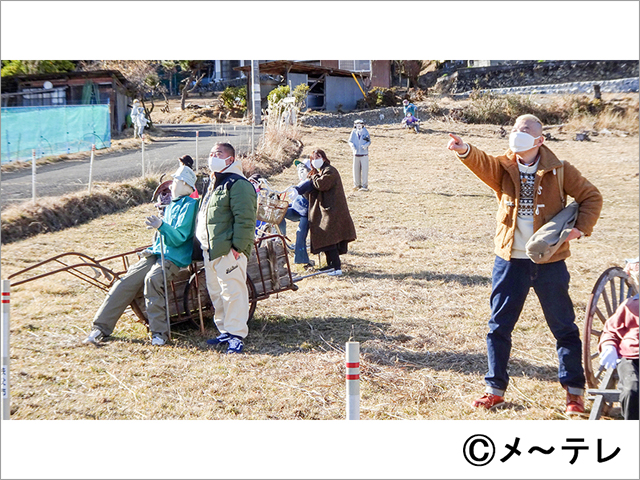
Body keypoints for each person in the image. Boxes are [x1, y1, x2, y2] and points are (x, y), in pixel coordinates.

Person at [447, 114, 603, 415]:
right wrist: (465, 149)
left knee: (564, 327)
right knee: (499, 326)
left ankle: (574, 393)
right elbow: (483, 163)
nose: (519, 133)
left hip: (550, 261)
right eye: (516, 129)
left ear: (540, 139)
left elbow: (591, 197)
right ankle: (495, 389)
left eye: (526, 130)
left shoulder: (560, 169)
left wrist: (579, 229)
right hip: (509, 260)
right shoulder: (504, 167)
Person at [83, 165, 199, 346]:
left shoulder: (191, 206)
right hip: (156, 253)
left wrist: (161, 225)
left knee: (152, 279)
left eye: (175, 180)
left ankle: (159, 334)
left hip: (174, 258)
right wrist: (158, 231)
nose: (172, 183)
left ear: (184, 183)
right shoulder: (171, 205)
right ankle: (100, 328)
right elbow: (163, 234)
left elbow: (180, 238)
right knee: (125, 282)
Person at [197, 143, 257, 354]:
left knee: (233, 292)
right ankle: (224, 330)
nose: (213, 157)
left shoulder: (237, 184)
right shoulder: (217, 183)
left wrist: (237, 248)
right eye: (211, 153)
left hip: (228, 250)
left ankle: (236, 335)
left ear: (230, 159)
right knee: (217, 292)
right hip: (211, 249)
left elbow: (246, 219)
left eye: (218, 153)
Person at [598, 262, 639, 420]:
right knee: (631, 390)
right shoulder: (629, 306)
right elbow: (611, 330)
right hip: (630, 358)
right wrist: (608, 345)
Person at [306, 149, 357, 277]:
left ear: (324, 158)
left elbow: (322, 184)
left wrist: (313, 176)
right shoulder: (322, 171)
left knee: (330, 238)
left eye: (318, 157)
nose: (315, 159)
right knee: (326, 238)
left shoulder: (330, 170)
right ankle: (330, 265)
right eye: (313, 158)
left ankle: (336, 266)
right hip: (329, 209)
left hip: (334, 211)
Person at [278, 159, 314, 267]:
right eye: (299, 169)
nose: (300, 172)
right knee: (279, 214)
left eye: (303, 169)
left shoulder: (309, 183)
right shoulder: (299, 183)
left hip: (305, 214)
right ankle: (281, 238)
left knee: (300, 234)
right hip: (295, 210)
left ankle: (302, 259)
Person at [347, 119, 371, 191]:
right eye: (357, 124)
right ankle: (357, 184)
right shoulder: (353, 132)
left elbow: (369, 141)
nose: (359, 125)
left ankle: (364, 185)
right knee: (355, 170)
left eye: (360, 124)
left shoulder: (365, 132)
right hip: (356, 154)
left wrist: (365, 145)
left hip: (364, 154)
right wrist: (352, 146)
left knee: (364, 170)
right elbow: (350, 141)